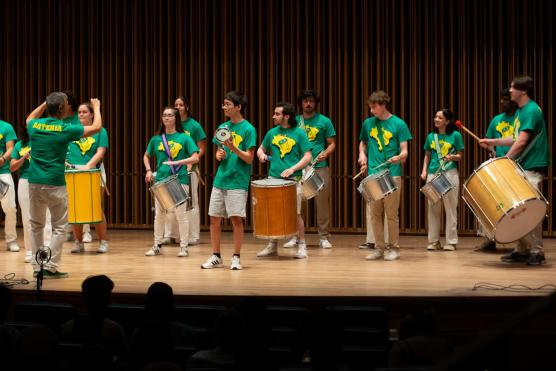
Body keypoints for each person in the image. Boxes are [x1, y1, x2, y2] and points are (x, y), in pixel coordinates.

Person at [25, 93, 103, 278]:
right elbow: (97, 127)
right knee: (60, 227)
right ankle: (49, 266)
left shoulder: (35, 126)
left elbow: (29, 118)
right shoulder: (66, 129)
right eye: (66, 104)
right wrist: (97, 108)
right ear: (61, 108)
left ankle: (38, 267)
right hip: (55, 184)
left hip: (34, 182)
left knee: (36, 226)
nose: (69, 106)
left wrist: (45, 102)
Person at [480, 76, 549, 266]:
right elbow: (515, 137)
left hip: (532, 165)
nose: (509, 91)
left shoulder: (532, 110)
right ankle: (522, 249)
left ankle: (537, 251)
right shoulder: (521, 111)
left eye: (512, 87)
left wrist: (505, 160)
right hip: (523, 165)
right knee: (520, 209)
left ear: (523, 91)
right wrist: (493, 142)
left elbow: (522, 141)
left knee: (531, 209)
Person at [201, 91, 257, 270]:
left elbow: (249, 158)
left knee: (236, 219)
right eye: (224, 104)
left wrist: (234, 147)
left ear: (238, 107)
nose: (224, 107)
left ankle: (236, 257)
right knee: (214, 218)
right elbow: (219, 153)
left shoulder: (249, 129)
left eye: (228, 104)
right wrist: (220, 154)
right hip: (221, 178)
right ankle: (216, 255)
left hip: (238, 180)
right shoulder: (222, 127)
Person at [358, 90, 412, 261]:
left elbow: (405, 152)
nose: (371, 110)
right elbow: (363, 143)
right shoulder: (368, 123)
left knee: (391, 214)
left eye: (374, 107)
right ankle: (379, 248)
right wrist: (362, 155)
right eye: (370, 107)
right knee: (374, 214)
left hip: (392, 174)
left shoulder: (399, 124)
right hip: (374, 174)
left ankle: (394, 247)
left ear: (383, 105)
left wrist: (399, 157)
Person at [256, 101, 313, 259]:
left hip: (293, 180)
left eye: (277, 114)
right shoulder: (272, 132)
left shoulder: (299, 133)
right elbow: (261, 148)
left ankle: (302, 245)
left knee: (296, 213)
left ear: (287, 116)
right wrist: (260, 154)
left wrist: (293, 168)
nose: (274, 116)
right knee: (273, 212)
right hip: (273, 178)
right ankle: (272, 245)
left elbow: (308, 156)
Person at [282, 90, 336, 249]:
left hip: (319, 167)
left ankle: (323, 237)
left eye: (311, 101)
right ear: (301, 103)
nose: (308, 104)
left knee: (322, 203)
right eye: (305, 101)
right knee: (297, 203)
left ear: (315, 103)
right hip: (300, 168)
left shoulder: (324, 121)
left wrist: (325, 154)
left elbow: (332, 143)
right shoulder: (294, 121)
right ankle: (295, 236)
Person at [144, 107, 199, 257]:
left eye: (170, 115)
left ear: (176, 118)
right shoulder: (156, 139)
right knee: (160, 215)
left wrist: (178, 162)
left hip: (179, 180)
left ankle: (183, 247)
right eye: (164, 115)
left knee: (181, 215)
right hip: (161, 180)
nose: (166, 118)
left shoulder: (184, 138)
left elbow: (195, 157)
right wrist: (149, 170)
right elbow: (146, 156)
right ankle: (156, 245)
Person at [475, 88, 518, 252]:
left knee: (516, 205)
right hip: (499, 165)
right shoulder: (496, 120)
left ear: (513, 100)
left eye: (505, 99)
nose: (502, 102)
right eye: (501, 99)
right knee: (491, 202)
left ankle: (520, 243)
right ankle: (489, 238)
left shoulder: (520, 118)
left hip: (516, 164)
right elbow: (491, 144)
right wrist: (490, 149)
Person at [161, 96, 207, 246]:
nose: (179, 107)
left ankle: (193, 236)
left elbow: (201, 148)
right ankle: (171, 234)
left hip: (188, 169)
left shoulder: (194, 126)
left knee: (190, 203)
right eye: (176, 105)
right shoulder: (169, 126)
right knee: (170, 203)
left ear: (187, 107)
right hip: (170, 170)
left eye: (181, 105)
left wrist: (191, 163)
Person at [67, 102, 110, 254]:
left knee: (96, 208)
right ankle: (78, 242)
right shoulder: (72, 130)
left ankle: (103, 242)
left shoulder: (100, 131)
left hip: (93, 172)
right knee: (75, 209)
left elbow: (100, 152)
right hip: (73, 173)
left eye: (84, 112)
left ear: (92, 114)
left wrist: (88, 166)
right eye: (79, 112)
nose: (81, 115)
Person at [420, 109, 464, 251]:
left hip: (449, 173)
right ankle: (433, 241)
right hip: (433, 173)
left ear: (447, 121)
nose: (436, 119)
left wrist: (452, 157)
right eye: (435, 116)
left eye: (439, 117)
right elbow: (427, 155)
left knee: (450, 208)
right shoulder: (431, 136)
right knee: (433, 208)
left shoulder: (456, 135)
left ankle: (451, 241)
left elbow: (460, 155)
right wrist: (424, 171)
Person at [10, 127, 52, 262]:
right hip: (25, 181)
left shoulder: (46, 141)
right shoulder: (19, 144)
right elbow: (12, 167)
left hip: (43, 179)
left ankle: (45, 251)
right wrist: (23, 158)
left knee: (47, 217)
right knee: (27, 218)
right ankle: (30, 250)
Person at [0, 118, 19, 253]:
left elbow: (10, 147)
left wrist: (3, 159)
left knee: (10, 207)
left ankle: (11, 240)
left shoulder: (6, 126)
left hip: (3, 172)